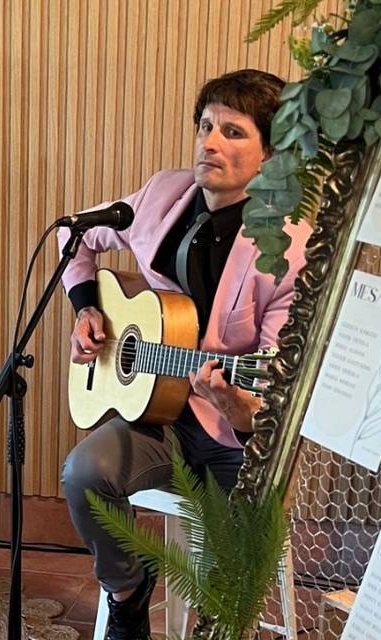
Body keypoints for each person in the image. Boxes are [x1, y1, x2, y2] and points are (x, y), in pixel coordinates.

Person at [59, 69, 311, 639]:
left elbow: (272, 400)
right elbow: (74, 236)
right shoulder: (163, 196)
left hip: (232, 439)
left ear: (271, 154)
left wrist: (231, 400)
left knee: (226, 576)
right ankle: (127, 590)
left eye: (233, 131)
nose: (210, 142)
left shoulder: (290, 250)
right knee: (82, 473)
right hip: (156, 417)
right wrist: (86, 309)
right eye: (205, 126)